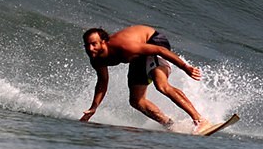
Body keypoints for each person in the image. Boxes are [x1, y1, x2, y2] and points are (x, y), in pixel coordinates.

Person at [81, 25, 214, 134]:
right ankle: (170, 125)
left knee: (161, 85)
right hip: (138, 57)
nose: (90, 48)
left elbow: (160, 50)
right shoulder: (96, 58)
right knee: (136, 101)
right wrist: (94, 108)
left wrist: (185, 67)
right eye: (87, 45)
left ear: (104, 42)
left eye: (94, 44)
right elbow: (102, 82)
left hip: (153, 41)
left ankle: (200, 120)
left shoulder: (125, 47)